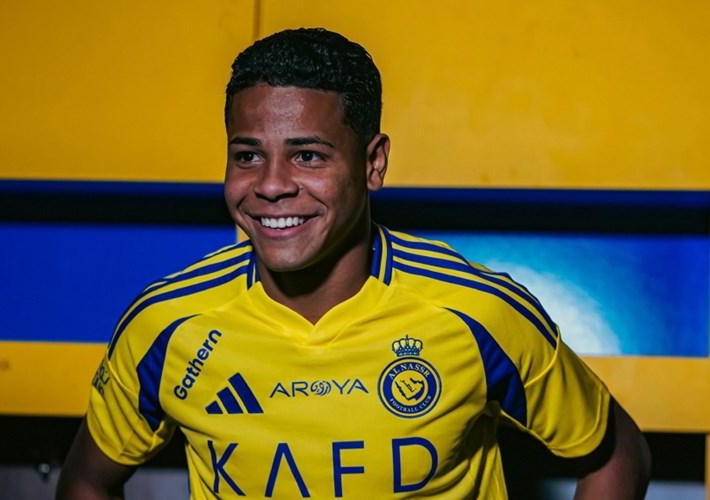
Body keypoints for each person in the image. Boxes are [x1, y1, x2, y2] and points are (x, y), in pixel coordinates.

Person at [57, 27, 651, 499]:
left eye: (308, 156)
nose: (271, 185)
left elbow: (617, 455)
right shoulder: (166, 323)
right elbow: (86, 481)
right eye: (248, 156)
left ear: (373, 164)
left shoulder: (478, 313)